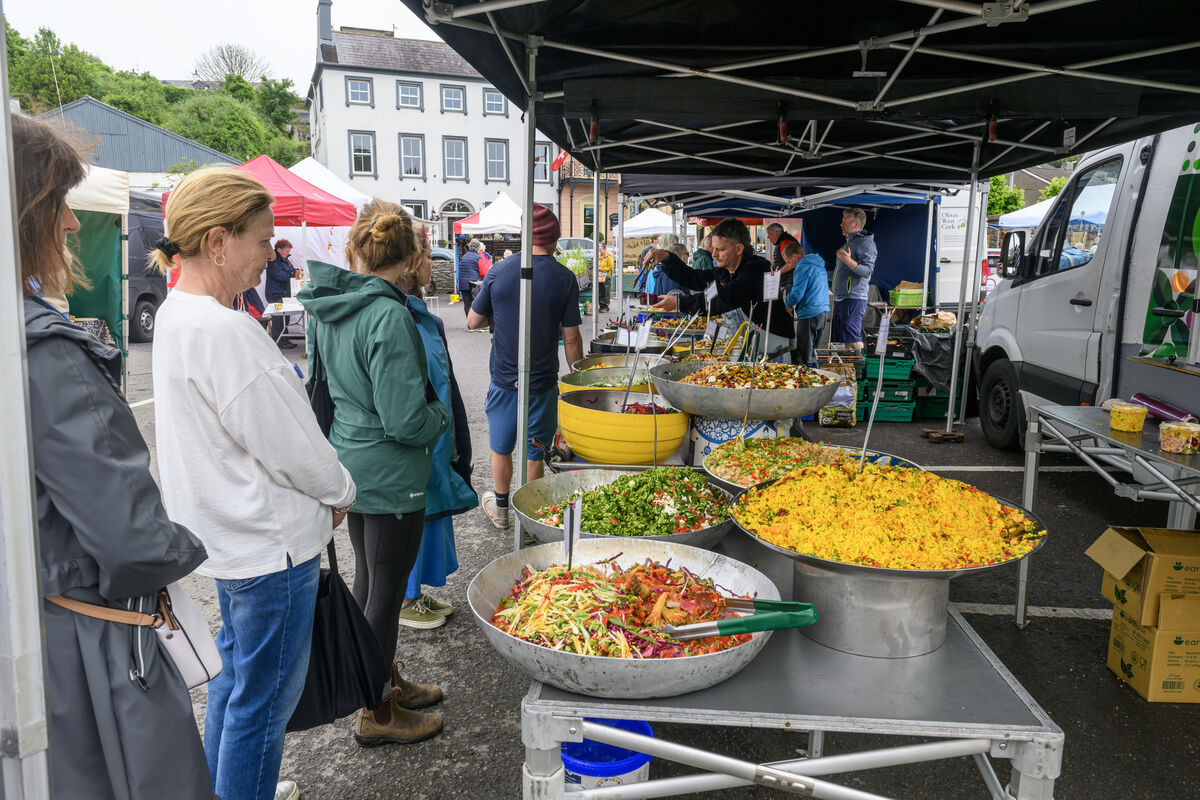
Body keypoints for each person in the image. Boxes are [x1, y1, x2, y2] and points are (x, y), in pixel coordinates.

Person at [17, 113, 215, 800]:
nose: (72, 225)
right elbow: (132, 538)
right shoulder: (45, 354)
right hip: (89, 649)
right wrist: (189, 544)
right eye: (58, 205)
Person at [151, 167, 357, 800]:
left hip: (231, 539)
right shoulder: (225, 329)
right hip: (270, 546)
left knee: (237, 684)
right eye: (263, 241)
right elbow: (293, 446)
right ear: (218, 241)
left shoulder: (178, 314)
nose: (271, 253)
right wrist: (342, 491)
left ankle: (223, 788)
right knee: (262, 705)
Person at [299, 201, 451, 746]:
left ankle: (381, 682)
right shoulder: (388, 313)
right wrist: (442, 417)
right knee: (384, 593)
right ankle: (377, 712)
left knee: (370, 580)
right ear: (409, 258)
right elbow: (406, 419)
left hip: (353, 463)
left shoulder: (333, 304)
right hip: (390, 473)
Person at [468, 204, 584, 528]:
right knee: (536, 451)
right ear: (555, 238)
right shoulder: (564, 278)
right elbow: (572, 340)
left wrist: (500, 315)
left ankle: (502, 509)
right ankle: (530, 518)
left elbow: (472, 320)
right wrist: (580, 379)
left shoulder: (499, 271)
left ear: (524, 234)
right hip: (542, 382)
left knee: (500, 446)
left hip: (504, 379)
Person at [394, 221, 478, 629]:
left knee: (428, 516)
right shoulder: (402, 317)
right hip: (419, 437)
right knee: (416, 517)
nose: (433, 263)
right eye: (428, 255)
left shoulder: (422, 313)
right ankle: (406, 598)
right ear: (412, 262)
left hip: (433, 435)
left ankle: (415, 593)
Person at [647, 218, 794, 358]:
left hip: (774, 352)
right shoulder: (726, 271)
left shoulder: (756, 269)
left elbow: (725, 297)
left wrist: (680, 303)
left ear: (739, 249)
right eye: (714, 248)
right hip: (753, 349)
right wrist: (666, 257)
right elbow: (694, 277)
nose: (714, 254)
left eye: (720, 249)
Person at [832, 208, 877, 353]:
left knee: (852, 337)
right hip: (842, 298)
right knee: (845, 339)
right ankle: (850, 371)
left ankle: (864, 368)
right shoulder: (847, 244)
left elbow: (867, 271)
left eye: (844, 220)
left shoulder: (866, 243)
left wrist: (847, 260)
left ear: (856, 225)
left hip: (854, 298)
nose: (841, 224)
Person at [782, 241, 829, 367]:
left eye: (788, 262)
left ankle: (807, 383)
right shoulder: (817, 263)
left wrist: (782, 303)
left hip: (809, 313)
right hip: (822, 311)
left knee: (804, 356)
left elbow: (797, 295)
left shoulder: (802, 266)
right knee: (813, 354)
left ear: (795, 257)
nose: (789, 266)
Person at [265, 239, 298, 348]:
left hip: (283, 293)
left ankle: (284, 340)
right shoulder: (273, 260)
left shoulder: (285, 260)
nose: (288, 253)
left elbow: (289, 272)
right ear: (279, 249)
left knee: (285, 317)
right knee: (279, 318)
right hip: (276, 293)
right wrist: (293, 273)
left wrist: (296, 271)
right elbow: (279, 275)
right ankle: (278, 341)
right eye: (286, 251)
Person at [766, 223, 800, 300]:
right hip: (788, 282)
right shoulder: (783, 241)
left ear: (776, 232)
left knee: (788, 309)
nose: (768, 237)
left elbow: (791, 264)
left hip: (789, 283)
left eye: (769, 234)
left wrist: (775, 274)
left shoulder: (785, 242)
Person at [457, 238, 484, 319]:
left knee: (467, 305)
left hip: (463, 284)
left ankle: (469, 325)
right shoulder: (478, 258)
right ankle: (475, 323)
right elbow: (483, 273)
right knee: (476, 304)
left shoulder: (464, 256)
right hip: (474, 284)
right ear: (478, 247)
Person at [597, 240, 614, 311]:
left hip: (606, 276)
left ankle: (606, 307)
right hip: (600, 277)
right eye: (599, 250)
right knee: (600, 292)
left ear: (605, 249)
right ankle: (601, 306)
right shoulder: (599, 257)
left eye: (601, 250)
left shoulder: (609, 257)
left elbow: (610, 267)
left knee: (606, 292)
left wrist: (601, 269)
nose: (600, 252)